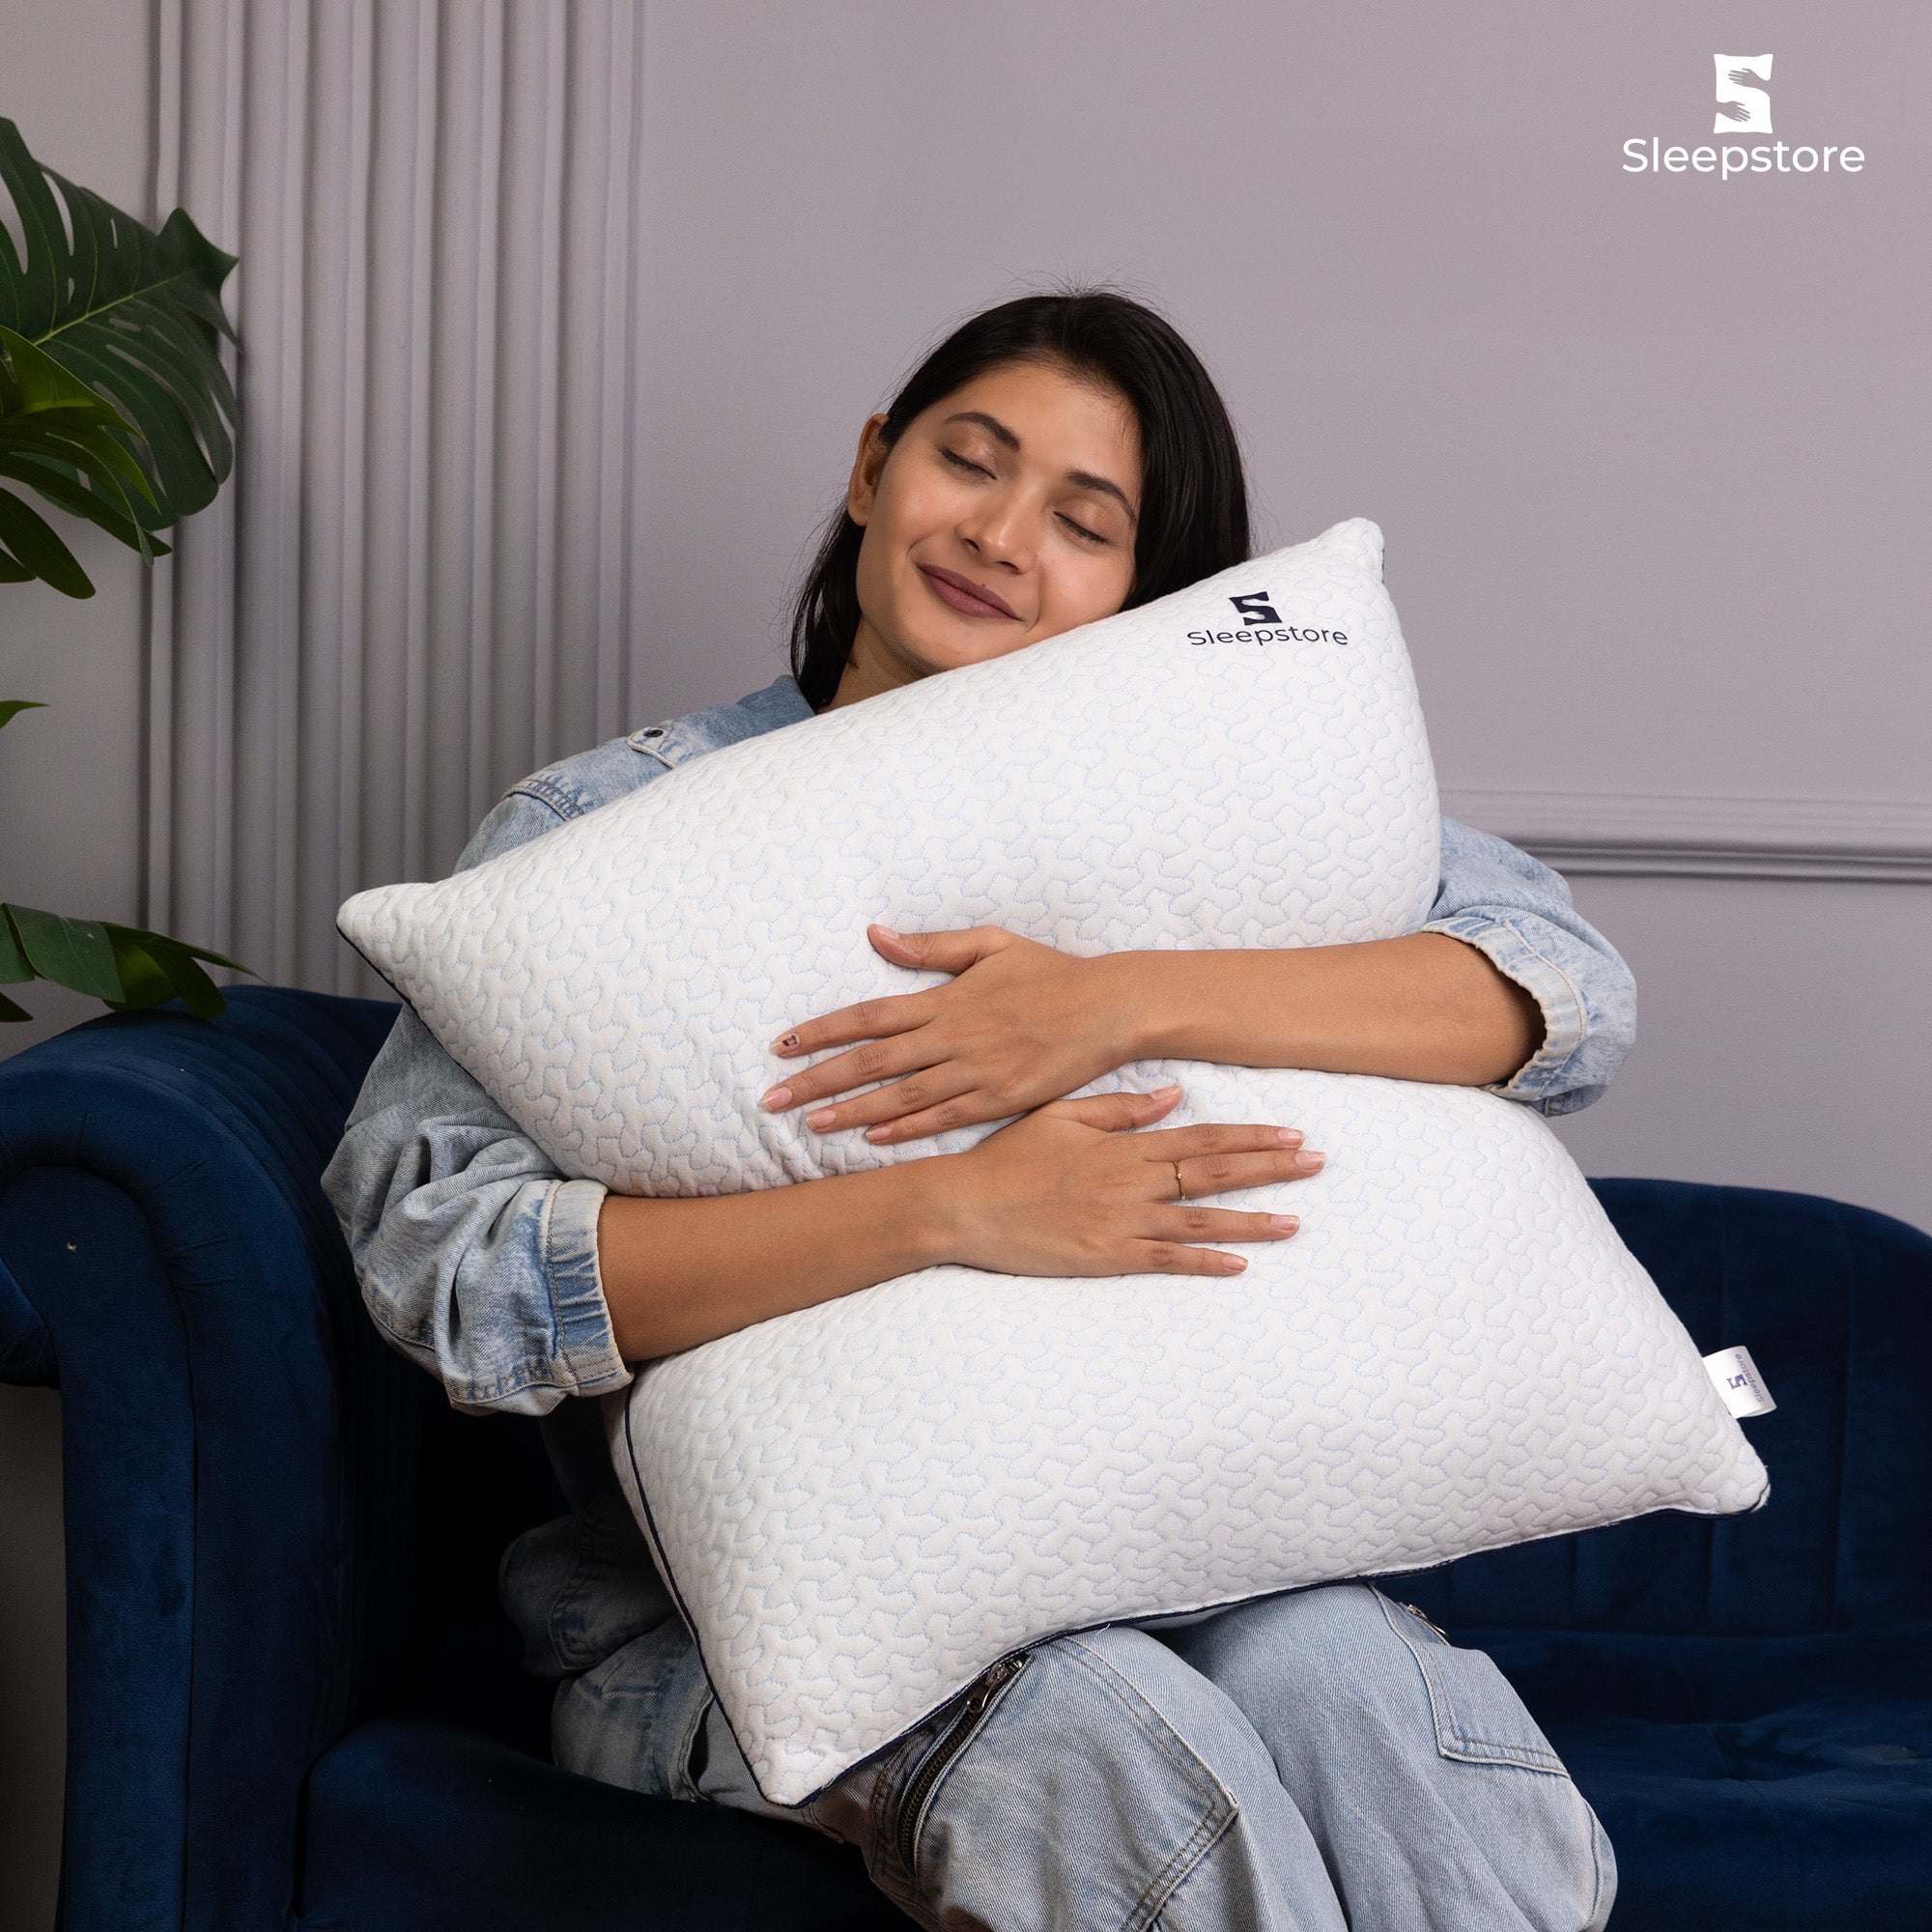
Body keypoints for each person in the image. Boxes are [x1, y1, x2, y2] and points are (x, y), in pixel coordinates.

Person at [323, 290, 1633, 1931]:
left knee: (1355, 1682)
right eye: (971, 461)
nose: (1004, 537)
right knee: (1095, 1729)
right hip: (714, 1631)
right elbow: (450, 1273)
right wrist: (952, 1208)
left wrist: (1115, 997)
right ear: (875, 468)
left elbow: (1556, 990)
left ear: (1140, 596)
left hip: (1200, 1556)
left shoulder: (1210, 816)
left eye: (1086, 523)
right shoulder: (621, 830)